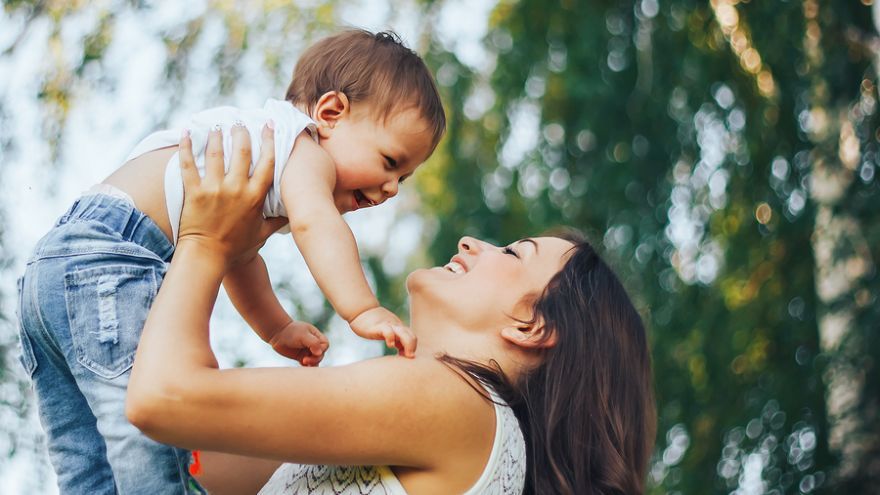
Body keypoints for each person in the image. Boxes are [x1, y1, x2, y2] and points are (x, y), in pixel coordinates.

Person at [15, 29, 445, 494]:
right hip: (112, 262)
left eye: (404, 177)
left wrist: (275, 327)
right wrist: (362, 309)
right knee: (147, 437)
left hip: (52, 271)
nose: (392, 188)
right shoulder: (306, 150)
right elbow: (317, 226)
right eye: (390, 161)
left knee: (84, 451)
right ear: (331, 113)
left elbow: (239, 259)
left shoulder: (264, 153)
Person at [126, 125, 657, 494]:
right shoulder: (465, 435)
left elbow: (162, 401)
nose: (474, 241)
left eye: (515, 252)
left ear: (532, 325)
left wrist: (204, 241)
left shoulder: (458, 400)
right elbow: (186, 450)